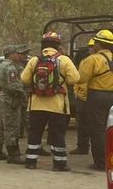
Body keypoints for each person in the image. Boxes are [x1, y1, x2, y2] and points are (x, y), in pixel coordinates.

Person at [20, 32, 80, 171]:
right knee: (57, 134)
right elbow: (75, 79)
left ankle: (31, 162)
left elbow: (24, 78)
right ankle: (59, 164)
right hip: (57, 106)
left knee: (35, 133)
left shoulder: (35, 60)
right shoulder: (64, 60)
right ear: (57, 45)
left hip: (36, 104)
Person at [78, 29, 113, 171]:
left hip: (97, 96)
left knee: (98, 129)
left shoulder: (93, 59)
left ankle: (100, 163)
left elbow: (81, 78)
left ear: (98, 44)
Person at [0, 45, 28, 164]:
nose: (22, 56)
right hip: (10, 100)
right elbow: (14, 85)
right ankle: (13, 154)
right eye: (19, 53)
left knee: (1, 126)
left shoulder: (2, 65)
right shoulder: (10, 67)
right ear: (11, 54)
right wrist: (23, 95)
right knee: (12, 127)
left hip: (2, 98)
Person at [71, 39, 97, 155]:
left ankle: (93, 149)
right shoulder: (86, 61)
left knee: (96, 125)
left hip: (92, 96)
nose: (91, 49)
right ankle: (82, 147)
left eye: (93, 46)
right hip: (84, 97)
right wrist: (78, 93)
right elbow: (79, 79)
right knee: (82, 124)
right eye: (90, 46)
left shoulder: (95, 61)